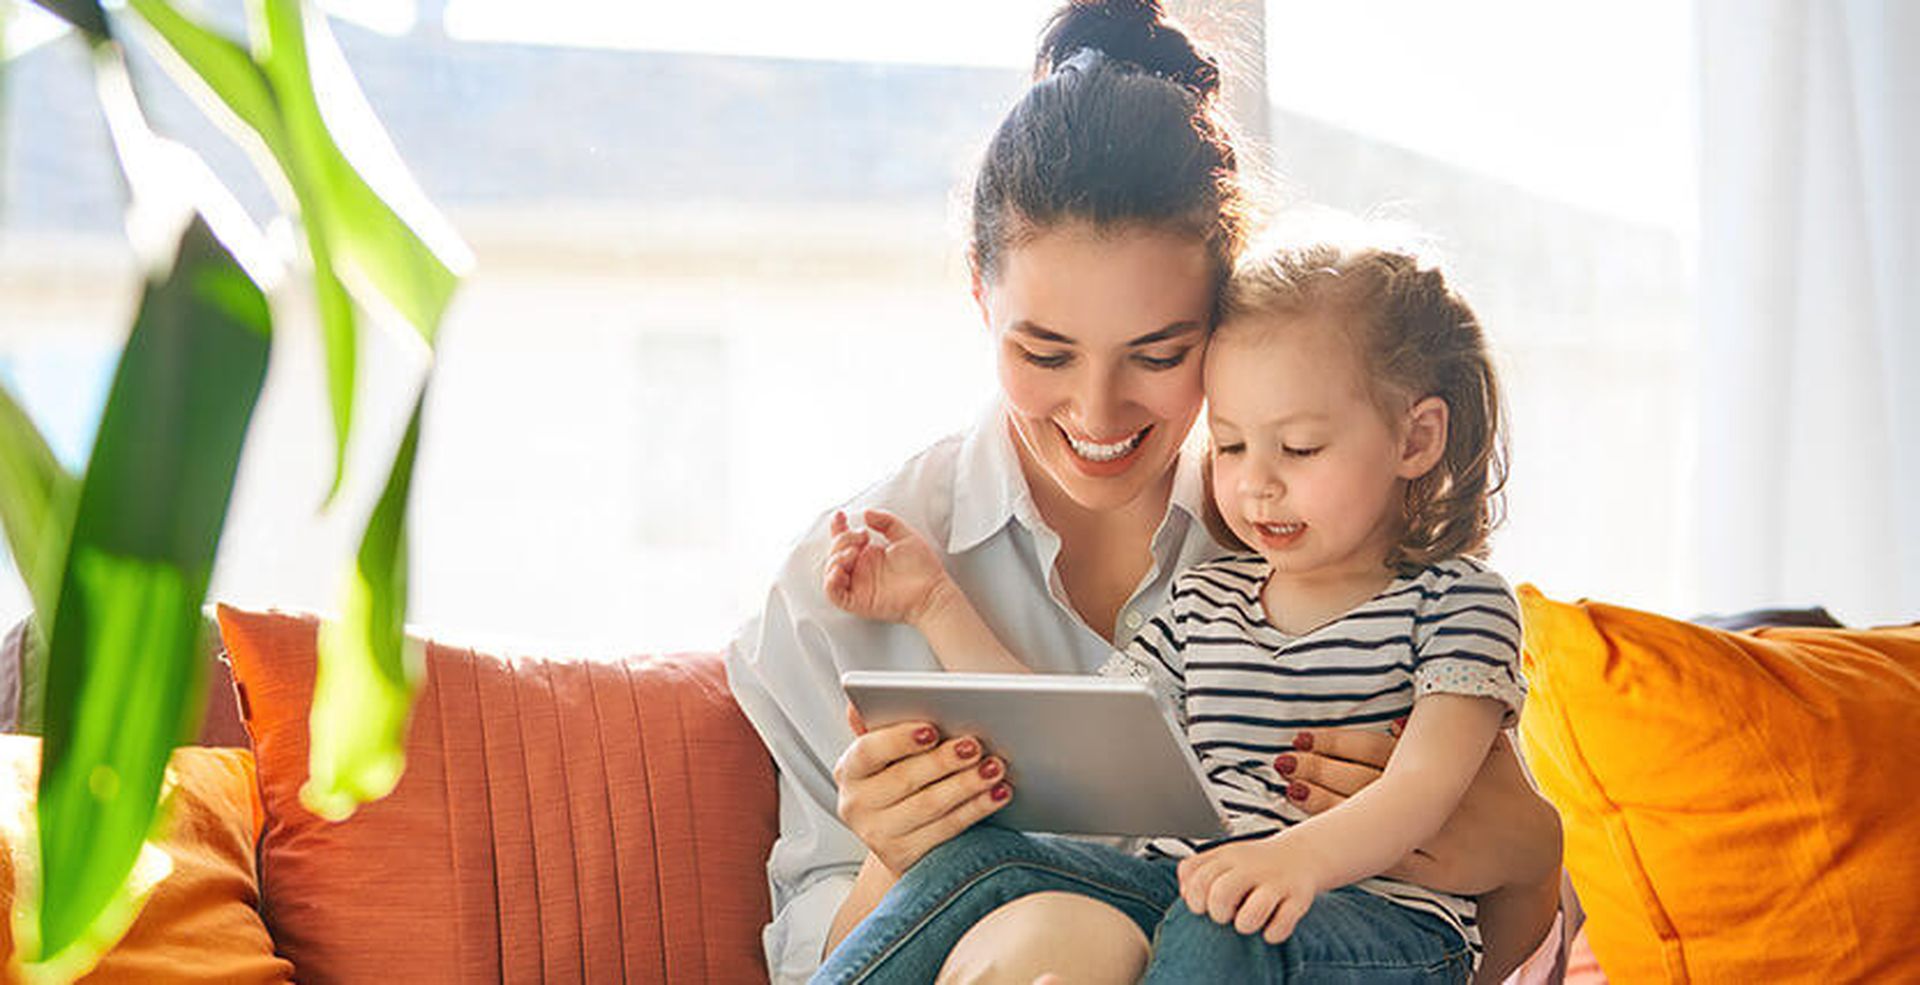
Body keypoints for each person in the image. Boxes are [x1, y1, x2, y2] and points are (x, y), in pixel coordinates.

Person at [723, 3, 1564, 982]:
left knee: (1143, 931)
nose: (1097, 406)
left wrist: (1527, 856)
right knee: (1054, 932)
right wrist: (896, 855)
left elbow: (1496, 943)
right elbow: (811, 946)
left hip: (1303, 936)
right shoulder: (846, 584)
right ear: (977, 293)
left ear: (1228, 311)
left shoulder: (1334, 544)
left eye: (1160, 353)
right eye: (1044, 351)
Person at [822, 231, 1522, 982]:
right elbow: (1076, 734)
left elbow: (1423, 788)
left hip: (1388, 928)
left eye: (1300, 448)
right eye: (1230, 446)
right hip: (1204, 897)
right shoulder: (1203, 602)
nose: (1258, 483)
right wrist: (933, 602)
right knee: (983, 860)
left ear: (1416, 439)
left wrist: (1291, 861)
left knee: (1221, 916)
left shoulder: (1459, 602)